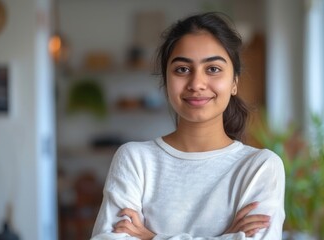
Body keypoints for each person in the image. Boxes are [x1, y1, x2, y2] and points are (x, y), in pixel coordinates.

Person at [91, 12, 285, 240]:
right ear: (166, 80)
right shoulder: (134, 159)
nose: (196, 84)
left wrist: (152, 237)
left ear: (234, 83)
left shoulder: (259, 167)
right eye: (182, 69)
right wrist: (227, 236)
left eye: (213, 69)